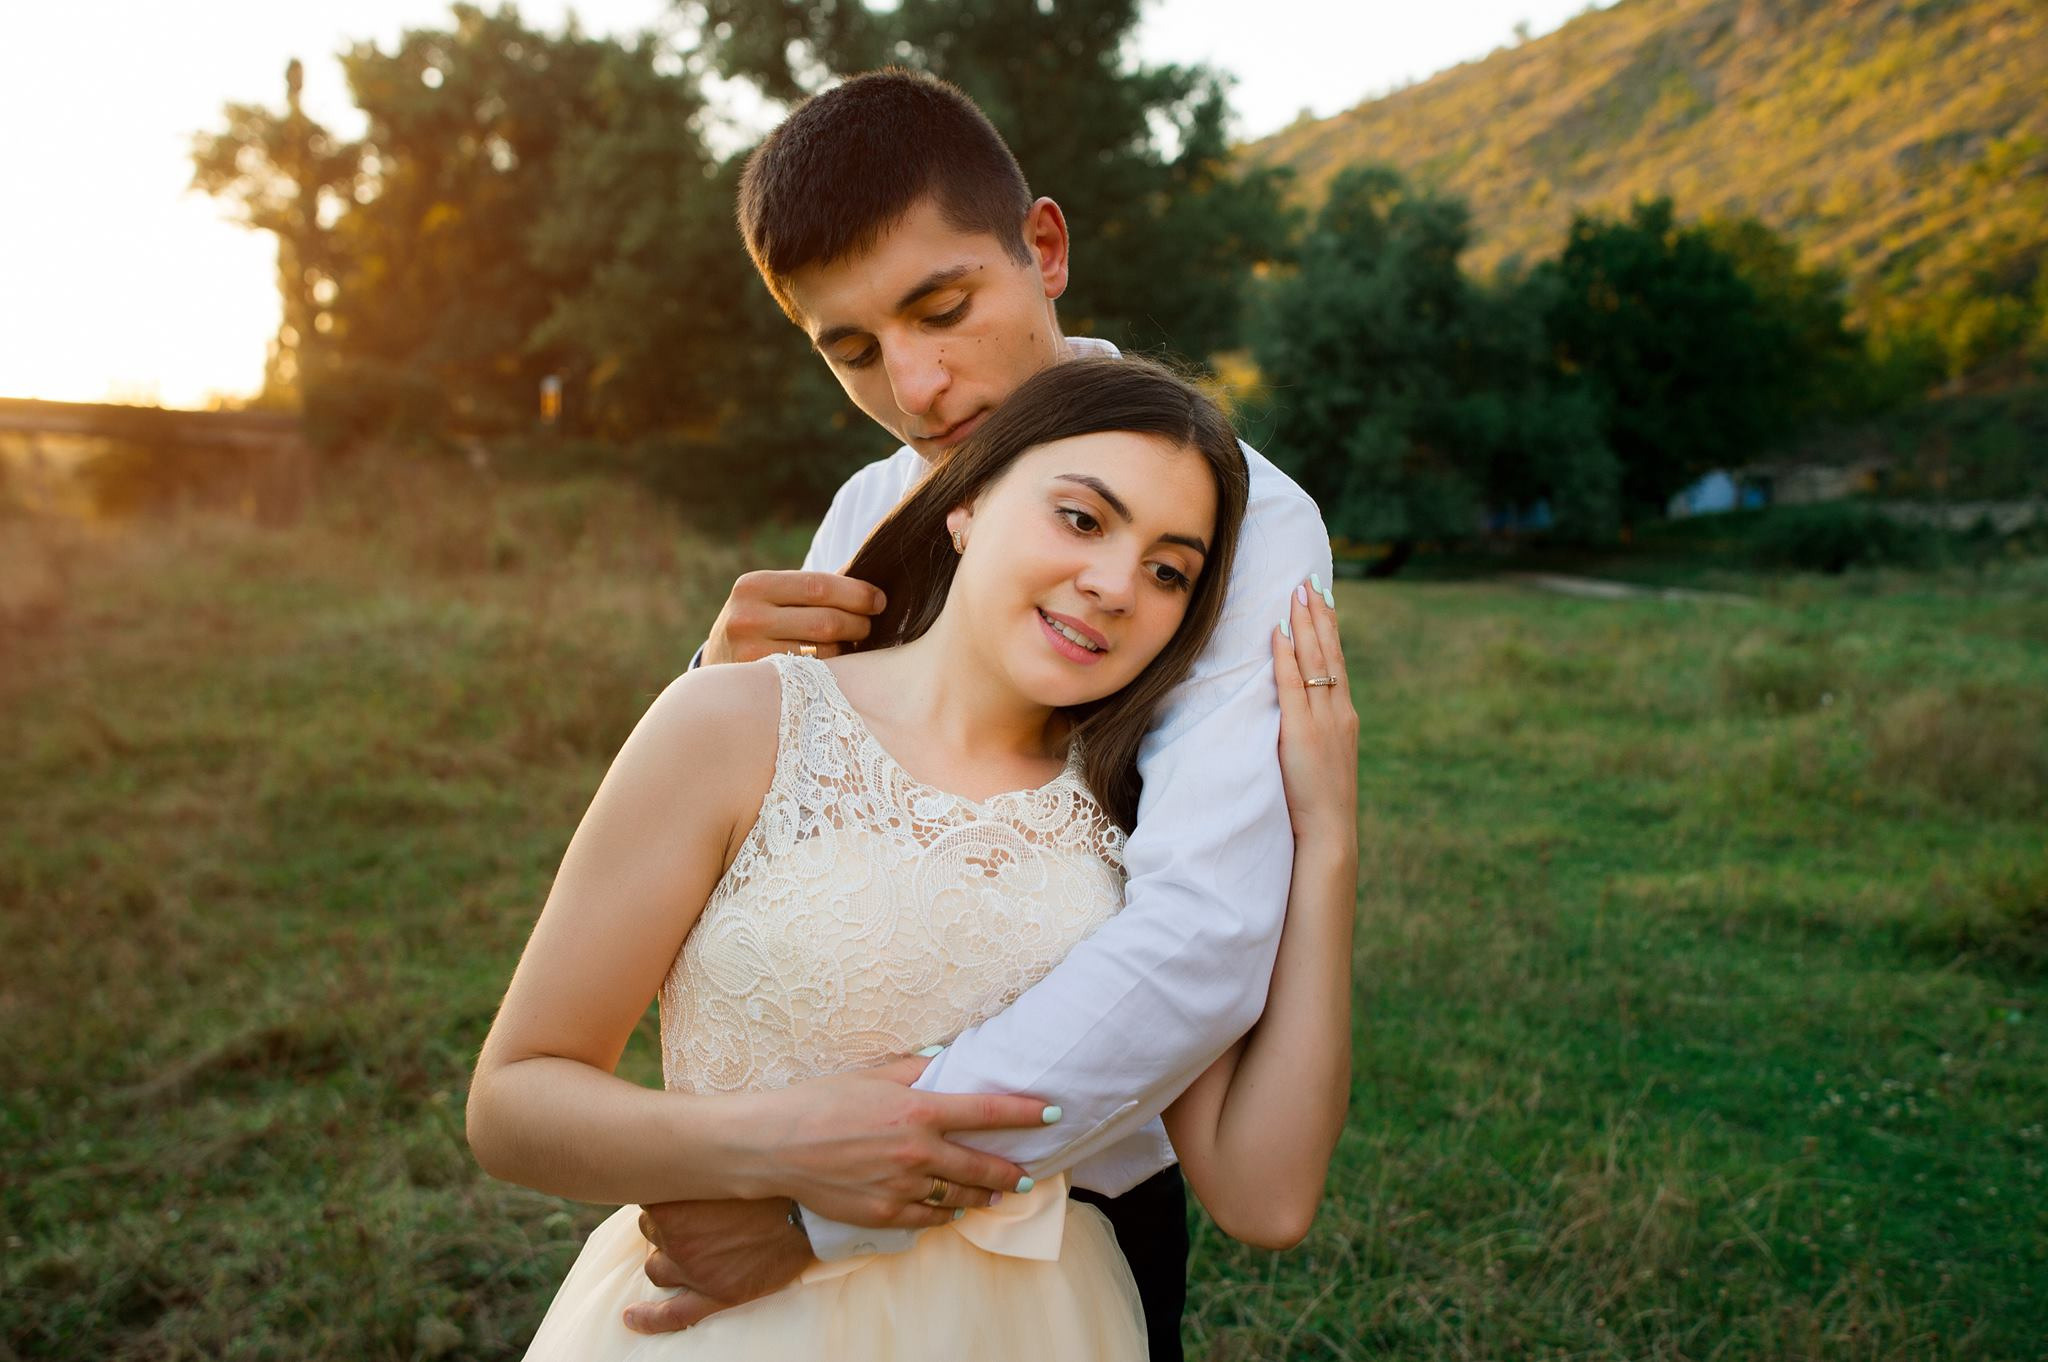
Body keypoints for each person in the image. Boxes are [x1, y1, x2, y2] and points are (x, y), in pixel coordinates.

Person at [625, 70, 1341, 1362]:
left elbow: (1203, 929)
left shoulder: (1243, 519)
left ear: (1046, 250)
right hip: (767, 1189)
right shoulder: (863, 511)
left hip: (1061, 1203)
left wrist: (827, 1203)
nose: (916, 381)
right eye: (849, 349)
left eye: (942, 307)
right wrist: (718, 694)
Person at [466, 356, 1359, 1359]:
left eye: (1167, 571)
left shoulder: (1133, 836)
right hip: (735, 1323)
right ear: (966, 502)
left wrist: (1323, 844)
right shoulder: (736, 719)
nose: (1114, 585)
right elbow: (511, 1102)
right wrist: (780, 1149)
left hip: (1033, 1329)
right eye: (1079, 519)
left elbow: (1266, 1194)